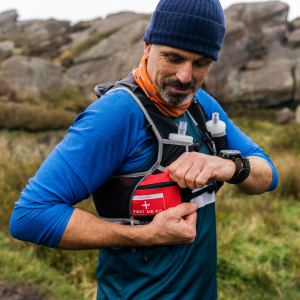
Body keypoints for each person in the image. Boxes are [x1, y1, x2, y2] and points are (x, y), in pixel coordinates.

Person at [9, 0, 278, 299]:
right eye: (173, 58)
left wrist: (229, 167)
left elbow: (268, 174)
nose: (185, 76)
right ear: (148, 47)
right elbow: (30, 216)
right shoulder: (116, 114)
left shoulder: (202, 106)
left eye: (200, 63)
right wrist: (147, 235)